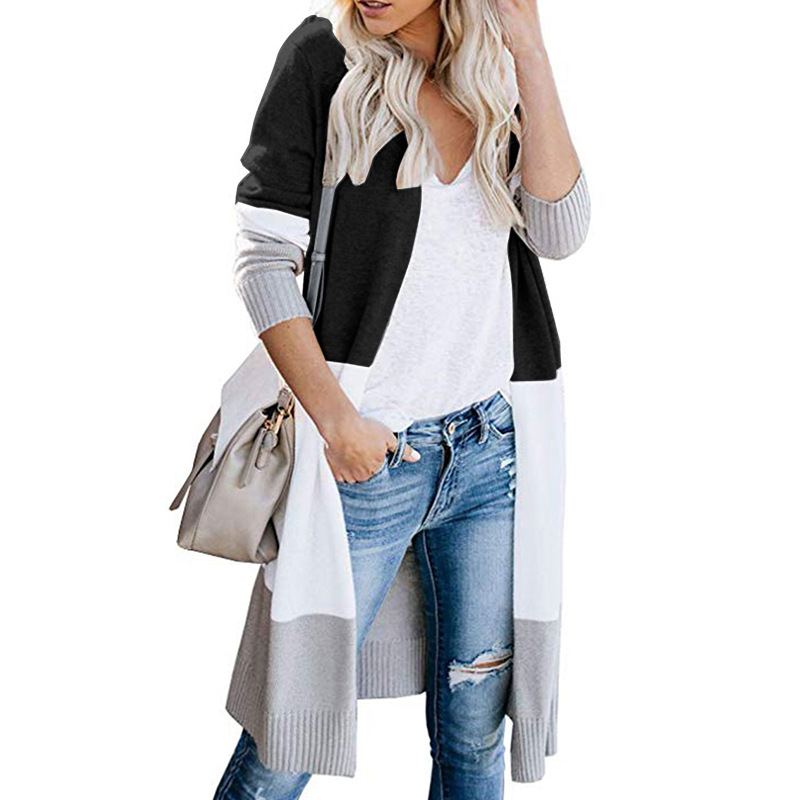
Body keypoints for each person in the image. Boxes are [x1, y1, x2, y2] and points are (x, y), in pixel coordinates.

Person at [214, 2, 589, 798]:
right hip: (366, 462)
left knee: (475, 730)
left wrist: (529, 48)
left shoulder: (495, 74)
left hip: (488, 455)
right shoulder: (324, 59)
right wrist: (337, 422)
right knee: (290, 734)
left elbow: (558, 232)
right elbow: (263, 260)